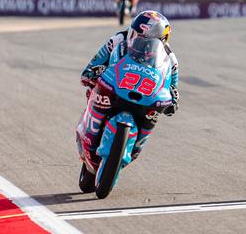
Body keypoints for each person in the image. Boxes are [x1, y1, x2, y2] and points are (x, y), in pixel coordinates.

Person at [77, 11, 180, 171]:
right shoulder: (118, 40)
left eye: (144, 38)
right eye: (134, 34)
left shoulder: (170, 60)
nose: (136, 39)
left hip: (144, 97)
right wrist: (93, 72)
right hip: (113, 85)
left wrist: (173, 98)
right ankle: (88, 132)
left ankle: (134, 147)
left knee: (154, 113)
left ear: (161, 40)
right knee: (92, 89)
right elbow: (92, 66)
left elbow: (172, 88)